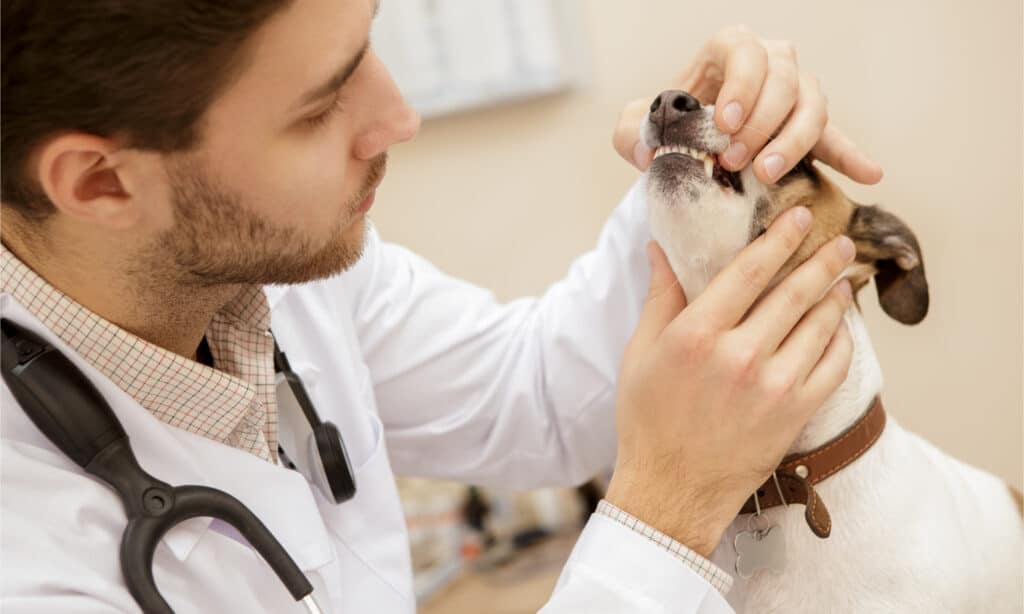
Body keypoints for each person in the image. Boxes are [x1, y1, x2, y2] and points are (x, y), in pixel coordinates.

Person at [0, 1, 883, 612]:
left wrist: (685, 158)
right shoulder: (30, 568)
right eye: (318, 108)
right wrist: (668, 512)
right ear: (101, 182)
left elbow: (535, 396)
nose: (399, 116)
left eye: (369, 44)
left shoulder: (269, 276)